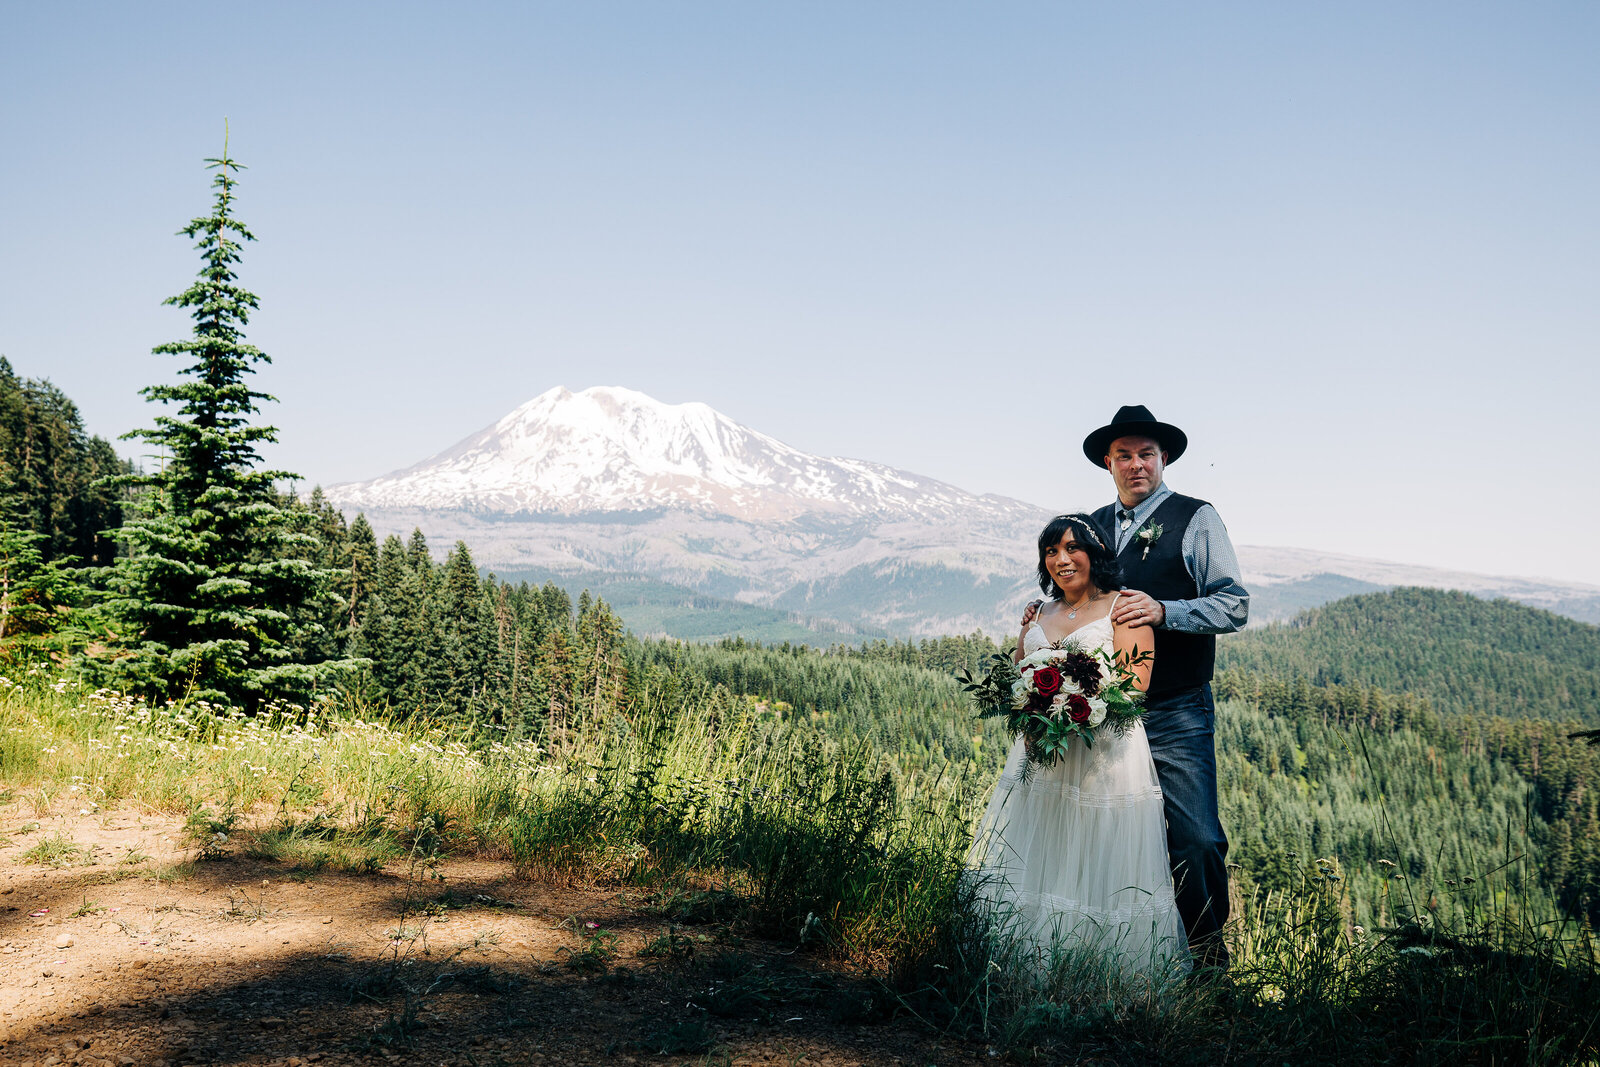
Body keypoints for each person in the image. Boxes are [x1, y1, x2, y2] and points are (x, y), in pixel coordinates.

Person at [968, 513, 1189, 980]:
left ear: (1096, 553)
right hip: (1042, 759)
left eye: (1072, 548)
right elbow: (1020, 673)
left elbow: (1134, 685)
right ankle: (1024, 970)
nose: (1061, 560)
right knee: (1042, 854)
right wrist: (1032, 706)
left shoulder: (1122, 608)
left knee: (1094, 856)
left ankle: (1098, 978)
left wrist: (1077, 705)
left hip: (1102, 755)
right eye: (1051, 551)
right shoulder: (1038, 612)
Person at [1079, 404, 1249, 974]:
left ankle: (1207, 960)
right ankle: (1117, 960)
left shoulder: (1196, 518)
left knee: (1197, 838)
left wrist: (1164, 610)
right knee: (1108, 829)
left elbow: (1234, 604)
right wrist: (1045, 609)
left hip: (1177, 707)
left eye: (1146, 454)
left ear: (1164, 458)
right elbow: (1075, 595)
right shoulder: (1092, 526)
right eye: (1123, 455)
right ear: (1108, 462)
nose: (1136, 464)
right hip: (1106, 710)